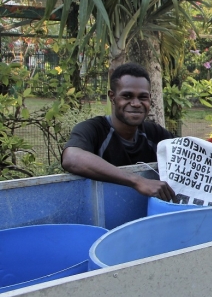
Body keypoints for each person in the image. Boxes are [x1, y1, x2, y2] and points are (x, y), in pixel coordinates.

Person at [62, 63, 176, 201]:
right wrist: (137, 181)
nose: (136, 103)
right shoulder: (93, 129)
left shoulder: (154, 133)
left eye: (143, 97)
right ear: (112, 97)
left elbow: (188, 153)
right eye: (127, 96)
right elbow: (71, 157)